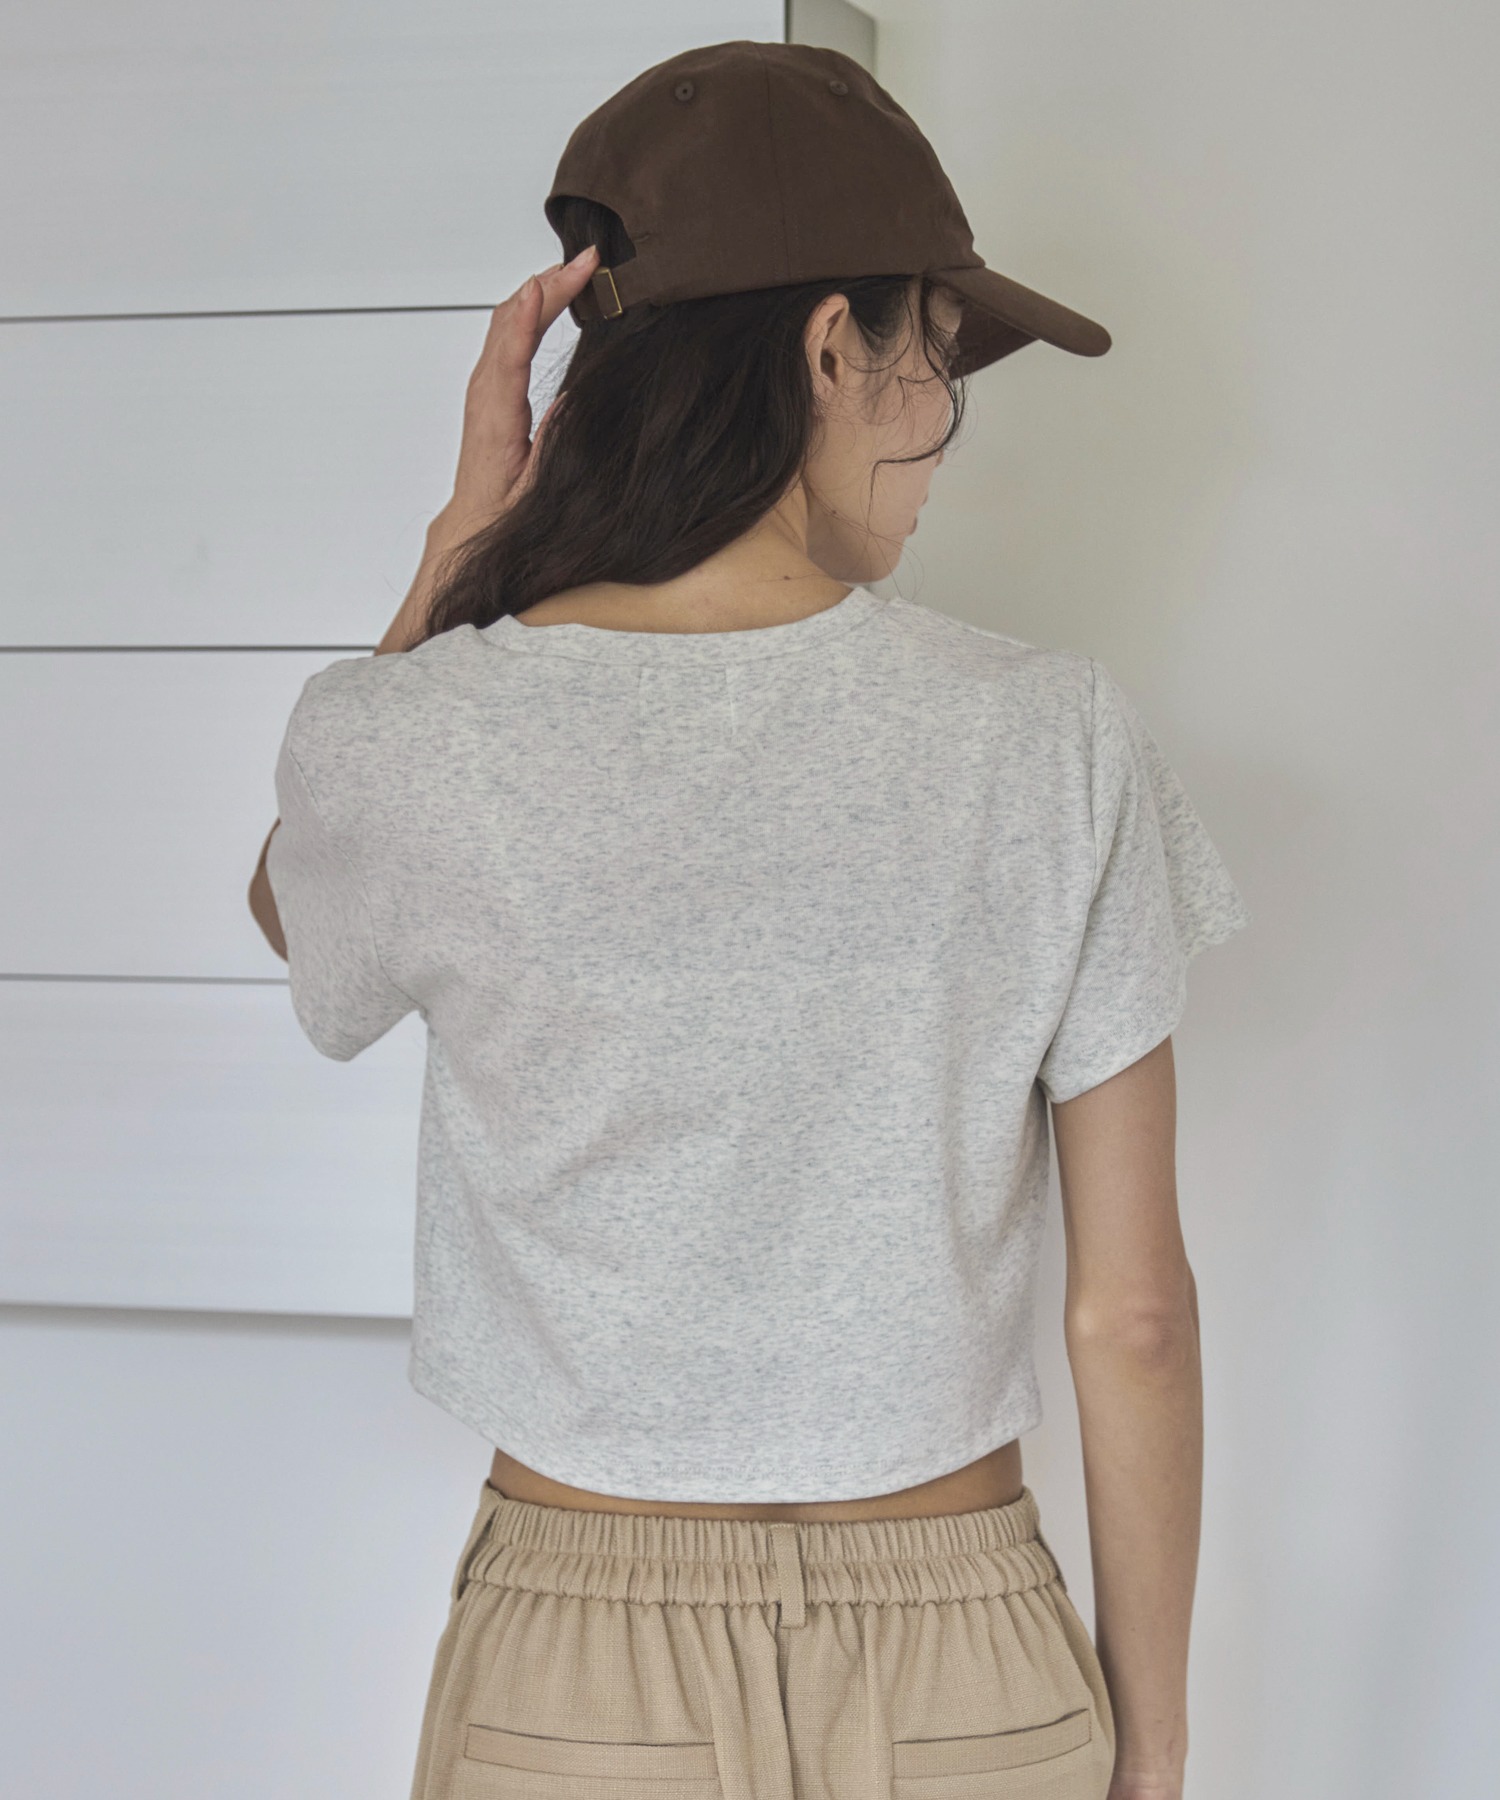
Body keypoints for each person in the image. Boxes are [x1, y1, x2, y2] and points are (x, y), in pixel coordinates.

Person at [248, 41, 1248, 1800]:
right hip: (964, 1660)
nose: (937, 443)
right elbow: (1135, 1318)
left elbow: (290, 895)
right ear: (830, 346)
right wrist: (1152, 1756)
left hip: (576, 1667)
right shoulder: (1051, 737)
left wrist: (459, 548)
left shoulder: (416, 738)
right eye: (941, 359)